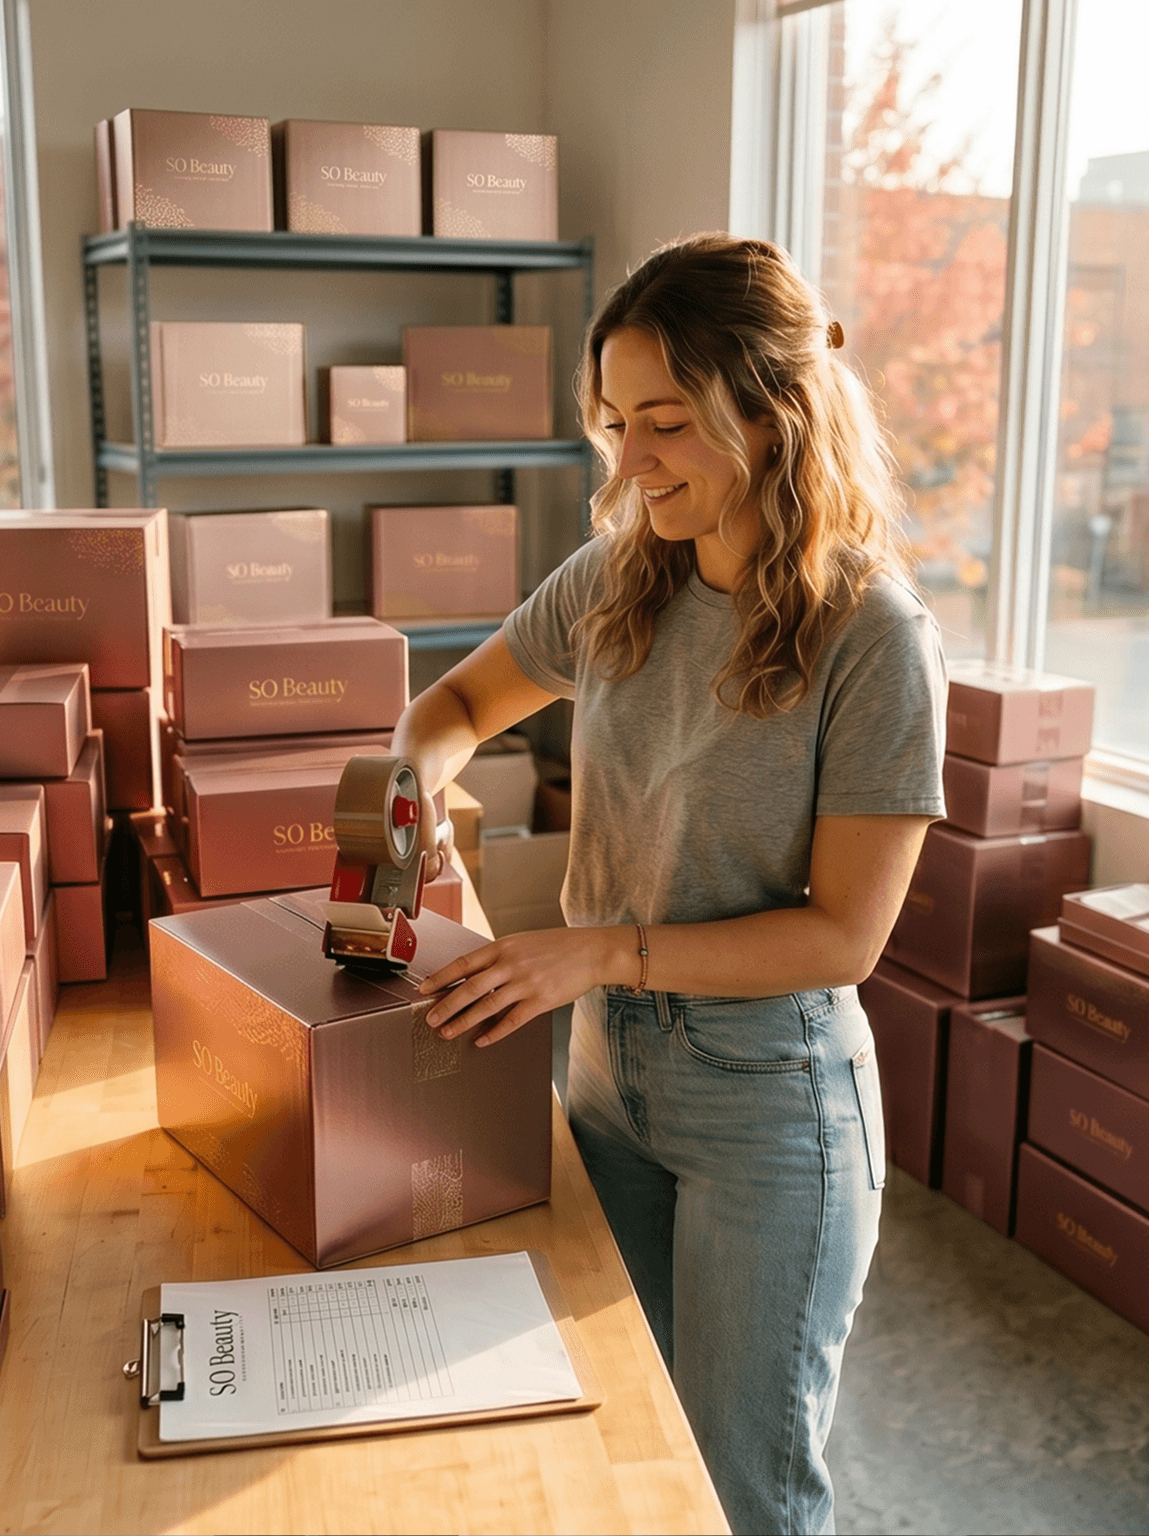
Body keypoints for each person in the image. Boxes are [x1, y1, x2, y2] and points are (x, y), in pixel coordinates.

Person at [393, 233, 946, 1536]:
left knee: (741, 1487)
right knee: (621, 1443)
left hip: (770, 1111)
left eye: (665, 426)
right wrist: (410, 786)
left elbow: (842, 937)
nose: (629, 463)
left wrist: (591, 953)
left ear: (772, 414)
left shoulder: (872, 636)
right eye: (611, 424)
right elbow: (458, 702)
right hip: (605, 1081)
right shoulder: (616, 579)